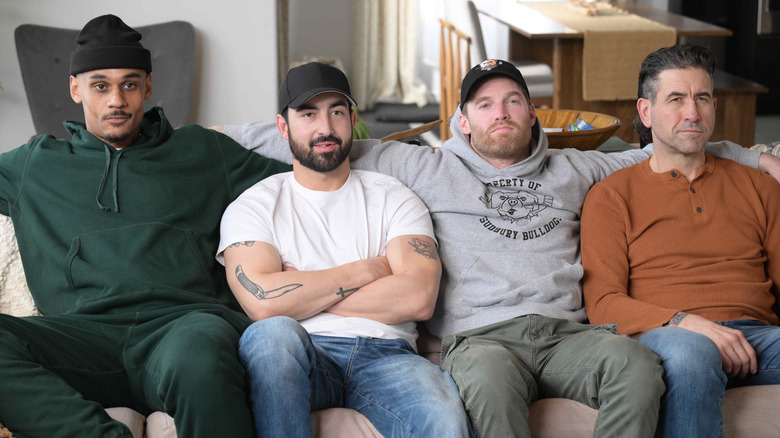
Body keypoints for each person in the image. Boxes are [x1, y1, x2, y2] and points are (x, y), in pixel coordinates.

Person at [214, 58, 778, 437]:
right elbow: (309, 135)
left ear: (534, 115)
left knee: (635, 366)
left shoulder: (580, 168)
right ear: (461, 121)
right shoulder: (421, 164)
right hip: (480, 338)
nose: (501, 112)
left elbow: (673, 141)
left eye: (513, 101)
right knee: (483, 385)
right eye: (484, 104)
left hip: (569, 334)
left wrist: (756, 154)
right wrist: (206, 141)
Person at [0, 15, 289, 438]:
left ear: (148, 88)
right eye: (100, 85)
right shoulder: (34, 164)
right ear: (75, 88)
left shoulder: (203, 151)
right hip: (82, 338)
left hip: (182, 328)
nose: (116, 99)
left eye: (130, 84)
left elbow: (310, 179)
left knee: (202, 351)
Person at [216, 62, 472, 438]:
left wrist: (299, 287)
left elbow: (418, 299)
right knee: (271, 336)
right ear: (283, 127)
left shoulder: (394, 197)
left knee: (444, 418)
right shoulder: (254, 205)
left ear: (352, 119)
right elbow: (265, 305)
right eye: (308, 114)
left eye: (336, 111)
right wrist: (366, 271)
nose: (325, 128)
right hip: (302, 352)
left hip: (387, 355)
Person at [581, 44, 780, 438]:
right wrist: (689, 324)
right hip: (668, 337)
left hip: (754, 338)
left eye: (702, 98)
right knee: (693, 353)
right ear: (645, 111)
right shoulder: (611, 195)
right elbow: (602, 304)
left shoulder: (758, 185)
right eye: (676, 99)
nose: (692, 113)